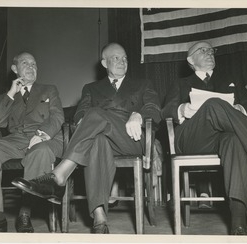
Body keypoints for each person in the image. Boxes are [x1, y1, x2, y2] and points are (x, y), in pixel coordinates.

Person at [12, 43, 161, 234]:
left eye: (124, 58)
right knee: (96, 138)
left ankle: (59, 175)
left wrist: (138, 115)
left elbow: (155, 108)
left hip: (131, 137)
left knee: (95, 114)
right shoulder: (91, 88)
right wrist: (88, 123)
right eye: (115, 58)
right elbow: (79, 114)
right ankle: (100, 219)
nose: (122, 61)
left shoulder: (143, 84)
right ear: (104, 63)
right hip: (101, 137)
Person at [161, 41, 247, 235]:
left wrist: (239, 109)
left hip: (223, 139)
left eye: (211, 50)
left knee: (234, 142)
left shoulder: (230, 79)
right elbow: (165, 110)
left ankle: (238, 224)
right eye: (203, 50)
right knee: (213, 104)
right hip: (192, 139)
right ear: (190, 60)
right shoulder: (180, 83)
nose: (209, 53)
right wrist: (183, 109)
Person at [0, 52, 64, 232]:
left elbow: (58, 117)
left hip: (44, 138)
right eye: (25, 63)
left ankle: (24, 214)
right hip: (16, 140)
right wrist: (11, 93)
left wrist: (43, 133)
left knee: (39, 151)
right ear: (14, 69)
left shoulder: (49, 89)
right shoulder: (8, 96)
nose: (31, 66)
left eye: (34, 64)